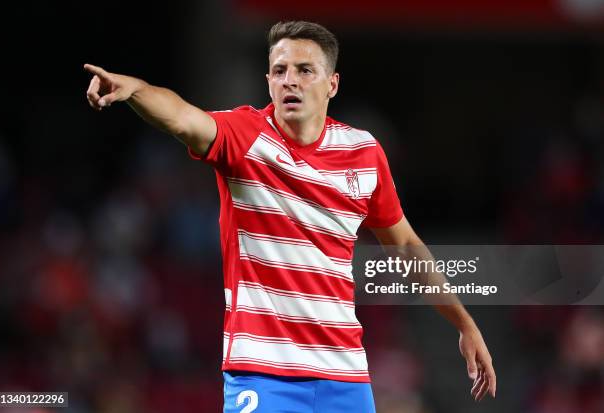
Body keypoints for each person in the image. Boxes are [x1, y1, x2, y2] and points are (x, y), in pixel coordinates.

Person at [84, 20, 496, 413]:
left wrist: (464, 322)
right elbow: (182, 117)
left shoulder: (363, 153)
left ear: (332, 83)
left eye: (304, 70)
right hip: (263, 373)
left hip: (345, 374)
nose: (290, 80)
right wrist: (135, 89)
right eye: (279, 70)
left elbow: (405, 245)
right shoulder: (243, 136)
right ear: (268, 81)